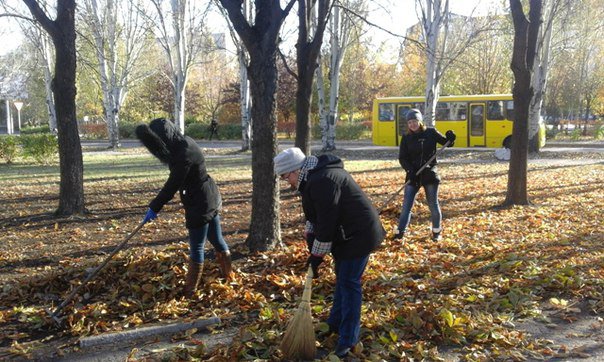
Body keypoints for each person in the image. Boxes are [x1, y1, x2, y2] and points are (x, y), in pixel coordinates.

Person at [274, 147, 385, 358]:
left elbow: (326, 225)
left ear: (296, 170)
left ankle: (348, 339)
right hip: (345, 235)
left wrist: (316, 258)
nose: (287, 182)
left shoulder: (323, 181)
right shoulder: (312, 179)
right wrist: (310, 242)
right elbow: (314, 218)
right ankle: (334, 323)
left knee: (350, 283)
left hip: (359, 235)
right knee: (342, 279)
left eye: (285, 176)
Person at [135, 118, 232, 298]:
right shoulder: (184, 142)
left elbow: (172, 184)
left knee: (197, 247)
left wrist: (154, 207)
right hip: (208, 195)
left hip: (200, 203)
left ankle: (190, 292)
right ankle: (229, 277)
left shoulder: (184, 154)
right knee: (217, 240)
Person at [394, 109, 456, 241]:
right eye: (410, 122)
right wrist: (410, 171)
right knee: (406, 206)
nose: (412, 124)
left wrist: (451, 139)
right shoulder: (406, 138)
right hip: (413, 175)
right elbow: (402, 158)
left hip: (429, 174)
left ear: (420, 121)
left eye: (414, 121)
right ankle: (400, 233)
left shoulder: (431, 132)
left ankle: (436, 232)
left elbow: (446, 143)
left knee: (433, 204)